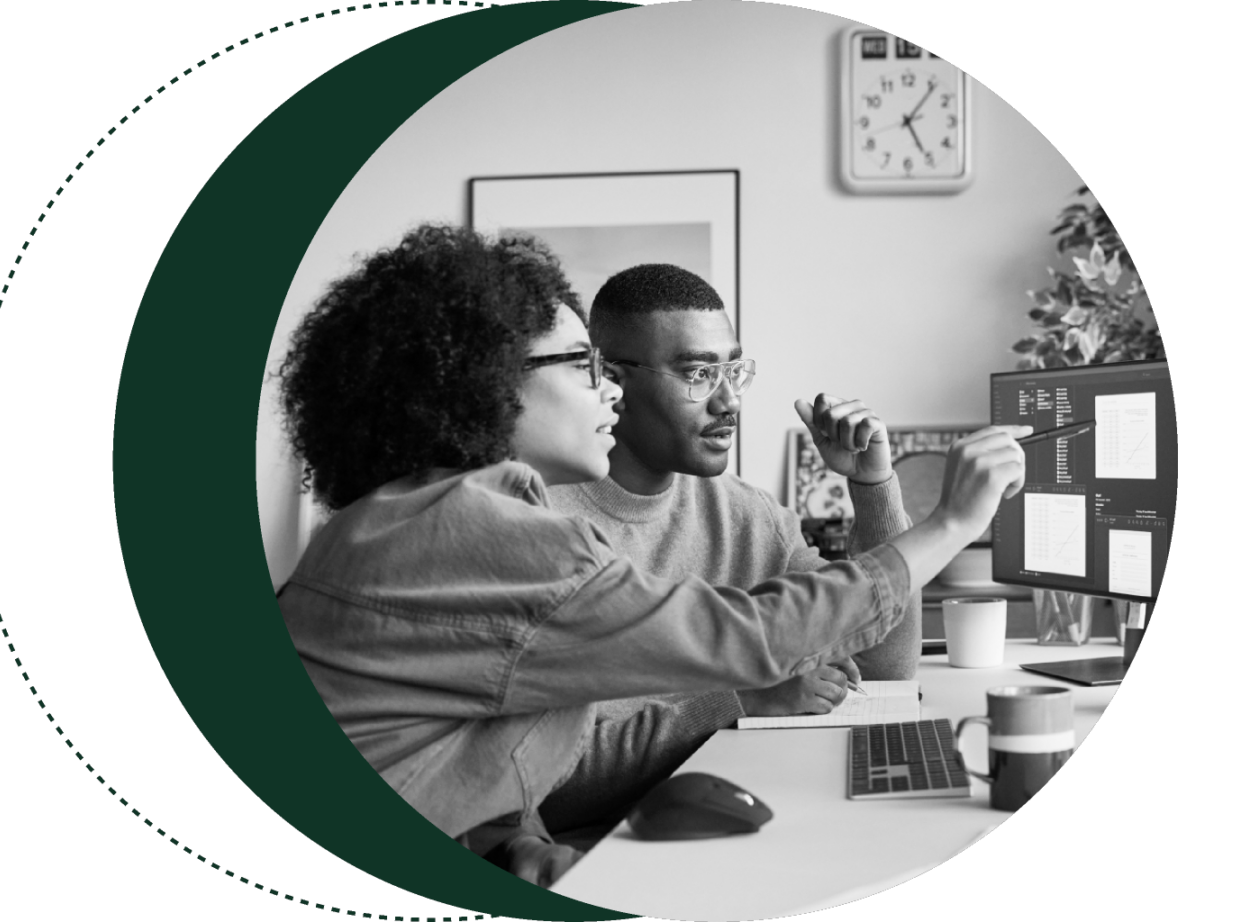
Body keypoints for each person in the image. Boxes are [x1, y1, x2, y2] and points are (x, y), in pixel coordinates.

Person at [275, 224, 1029, 888]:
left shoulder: (411, 519)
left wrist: (515, 850)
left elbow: (445, 755)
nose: (603, 392)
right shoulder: (478, 532)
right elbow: (749, 639)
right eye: (582, 366)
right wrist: (954, 520)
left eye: (732, 371)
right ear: (488, 384)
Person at [542, 264, 921, 837]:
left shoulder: (748, 515)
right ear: (610, 380)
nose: (729, 402)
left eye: (733, 371)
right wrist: (742, 701)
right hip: (602, 852)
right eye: (698, 373)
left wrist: (872, 488)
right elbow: (548, 785)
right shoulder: (536, 525)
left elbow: (882, 665)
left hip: (733, 808)